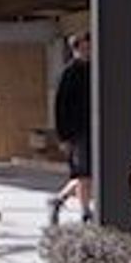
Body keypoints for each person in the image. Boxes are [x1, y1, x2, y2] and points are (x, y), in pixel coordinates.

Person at [50, 31, 93, 223]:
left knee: (87, 172)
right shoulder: (69, 73)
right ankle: (85, 211)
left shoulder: (94, 69)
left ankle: (60, 199)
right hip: (76, 131)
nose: (88, 50)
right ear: (76, 48)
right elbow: (60, 106)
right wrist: (63, 136)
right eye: (84, 47)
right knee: (83, 172)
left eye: (89, 46)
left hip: (92, 127)